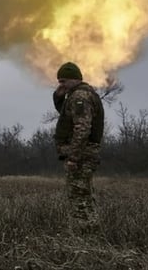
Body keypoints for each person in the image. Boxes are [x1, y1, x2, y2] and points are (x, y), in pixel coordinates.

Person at [53, 62, 105, 232]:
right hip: (85, 154)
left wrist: (74, 158)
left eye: (63, 81)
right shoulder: (81, 95)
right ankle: (93, 233)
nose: (61, 85)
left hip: (81, 156)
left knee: (79, 197)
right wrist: (59, 96)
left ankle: (85, 238)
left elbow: (82, 129)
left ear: (74, 79)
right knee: (85, 196)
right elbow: (66, 115)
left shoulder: (79, 97)